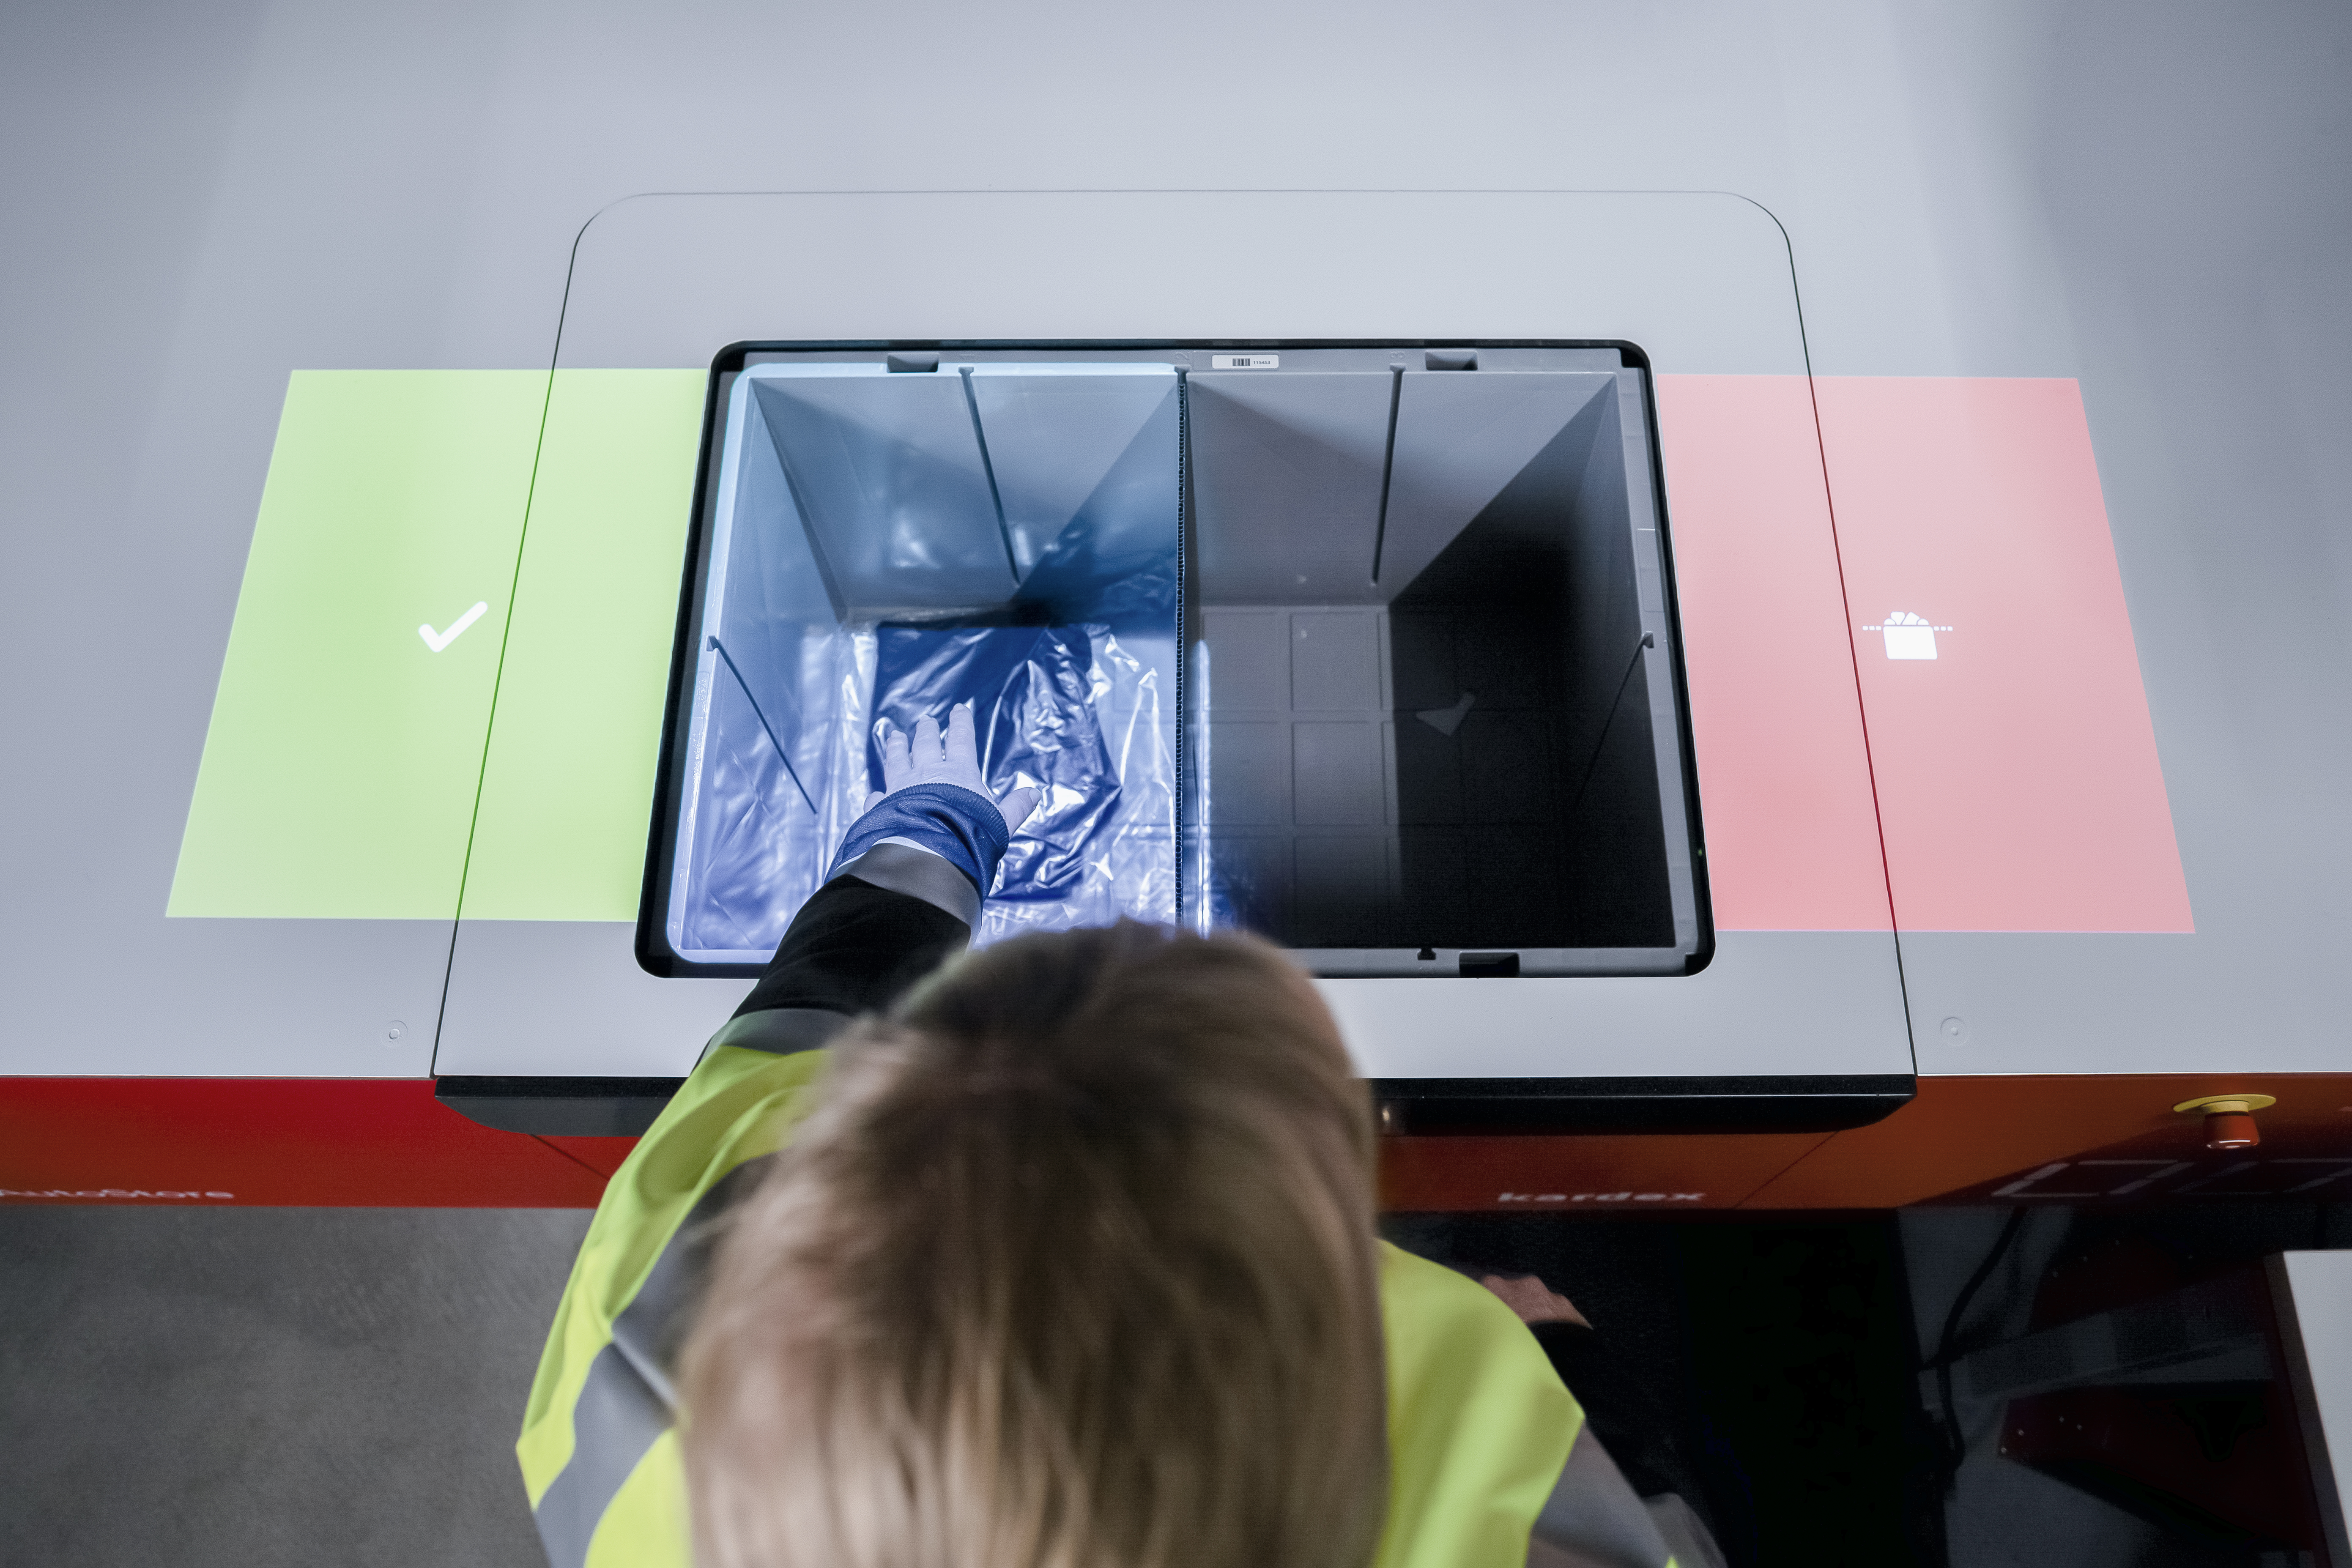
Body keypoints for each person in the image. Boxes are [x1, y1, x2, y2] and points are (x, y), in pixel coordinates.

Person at [517, 704, 1705, 1568]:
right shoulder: (1466, 1479)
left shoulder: (660, 1313)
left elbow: (816, 999)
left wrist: (944, 813)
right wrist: (1583, 1378)